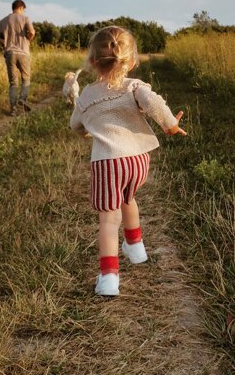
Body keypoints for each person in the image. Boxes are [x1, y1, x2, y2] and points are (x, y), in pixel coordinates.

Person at [70, 26, 187, 296]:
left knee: (108, 221)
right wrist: (170, 125)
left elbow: (76, 125)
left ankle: (109, 278)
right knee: (128, 199)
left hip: (108, 163)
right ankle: (136, 248)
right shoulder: (134, 86)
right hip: (137, 161)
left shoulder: (87, 95)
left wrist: (88, 130)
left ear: (92, 62)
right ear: (131, 61)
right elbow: (154, 103)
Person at [0, 0, 35, 116]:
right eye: (23, 9)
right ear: (21, 7)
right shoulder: (25, 18)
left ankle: (13, 110)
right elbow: (32, 32)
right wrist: (28, 40)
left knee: (13, 83)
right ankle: (22, 99)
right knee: (26, 79)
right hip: (23, 53)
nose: (23, 11)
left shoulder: (3, 21)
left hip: (9, 53)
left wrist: (4, 42)